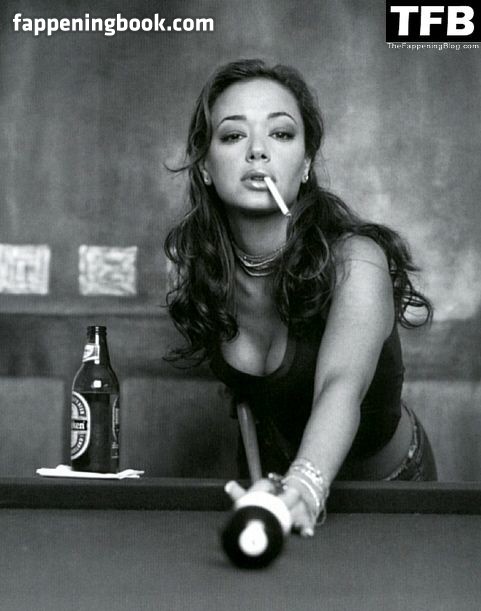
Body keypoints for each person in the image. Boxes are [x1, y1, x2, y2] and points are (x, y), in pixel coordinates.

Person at [164, 59, 436, 537]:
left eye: (281, 134)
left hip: (391, 491)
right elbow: (247, 398)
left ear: (306, 163)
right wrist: (278, 487)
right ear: (205, 166)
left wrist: (306, 483)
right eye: (233, 136)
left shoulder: (357, 261)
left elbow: (339, 386)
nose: (257, 151)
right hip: (283, 486)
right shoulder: (206, 270)